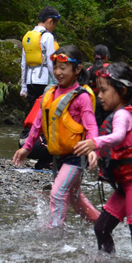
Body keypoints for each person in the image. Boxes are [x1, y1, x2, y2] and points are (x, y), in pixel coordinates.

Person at [73, 63, 132, 260]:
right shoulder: (124, 112)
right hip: (127, 185)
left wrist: (94, 142)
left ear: (121, 91)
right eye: (97, 90)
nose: (99, 96)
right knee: (101, 228)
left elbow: (119, 136)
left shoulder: (123, 114)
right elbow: (116, 144)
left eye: (103, 91)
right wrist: (96, 151)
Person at [13, 45, 99, 227]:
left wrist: (93, 146)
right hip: (59, 156)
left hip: (76, 156)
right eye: (56, 67)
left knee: (58, 193)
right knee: (75, 198)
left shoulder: (81, 97)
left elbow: (91, 125)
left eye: (63, 68)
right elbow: (37, 125)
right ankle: (102, 223)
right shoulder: (50, 94)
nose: (58, 72)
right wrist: (26, 148)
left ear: (77, 70)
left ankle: (55, 232)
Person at [20, 6, 60, 130]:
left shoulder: (27, 37)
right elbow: (50, 61)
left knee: (33, 112)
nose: (54, 28)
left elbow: (23, 64)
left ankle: (30, 137)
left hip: (30, 82)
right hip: (44, 82)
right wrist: (58, 82)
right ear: (49, 21)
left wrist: (23, 86)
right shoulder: (48, 36)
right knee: (45, 112)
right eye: (54, 25)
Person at [85, 44, 112, 126]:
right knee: (109, 123)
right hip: (109, 98)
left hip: (95, 99)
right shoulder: (110, 68)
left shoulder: (90, 69)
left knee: (97, 124)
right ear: (106, 57)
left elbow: (84, 85)